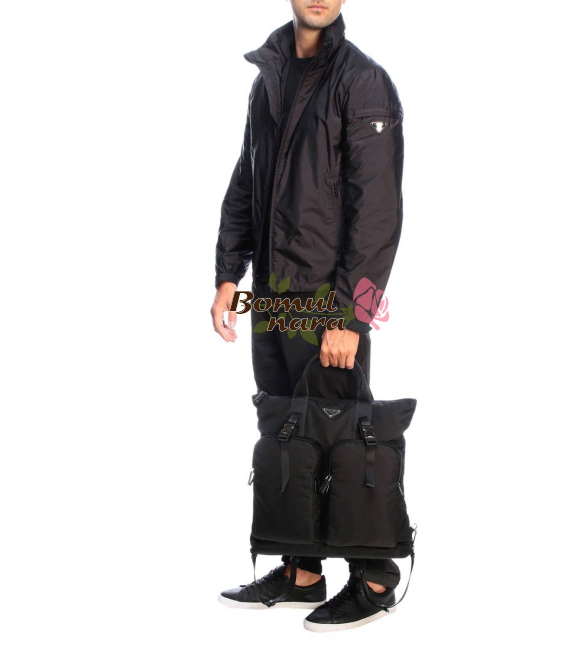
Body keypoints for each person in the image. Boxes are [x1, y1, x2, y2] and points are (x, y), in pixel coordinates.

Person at [211, 0, 406, 632]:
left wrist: (353, 315)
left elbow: (378, 212)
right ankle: (302, 571)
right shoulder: (267, 77)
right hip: (272, 294)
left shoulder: (362, 81)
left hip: (328, 302)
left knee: (345, 436)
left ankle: (375, 578)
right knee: (286, 431)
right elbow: (247, 181)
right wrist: (228, 273)